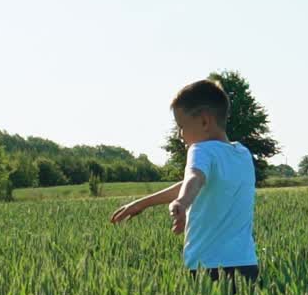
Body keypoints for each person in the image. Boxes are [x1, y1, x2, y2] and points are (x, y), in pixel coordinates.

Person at [110, 79, 259, 284]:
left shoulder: (200, 149)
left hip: (208, 267)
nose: (180, 134)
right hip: (247, 264)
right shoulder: (242, 154)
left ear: (205, 121)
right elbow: (193, 183)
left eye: (181, 126)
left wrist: (182, 202)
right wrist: (142, 203)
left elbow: (194, 178)